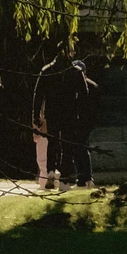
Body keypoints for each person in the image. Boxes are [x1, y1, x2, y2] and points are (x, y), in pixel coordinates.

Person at [33, 46, 100, 189]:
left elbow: (38, 95)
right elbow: (84, 94)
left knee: (52, 143)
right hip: (69, 113)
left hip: (52, 112)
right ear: (69, 54)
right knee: (67, 146)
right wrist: (80, 113)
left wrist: (36, 115)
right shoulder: (75, 72)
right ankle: (64, 179)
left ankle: (51, 171)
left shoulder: (47, 71)